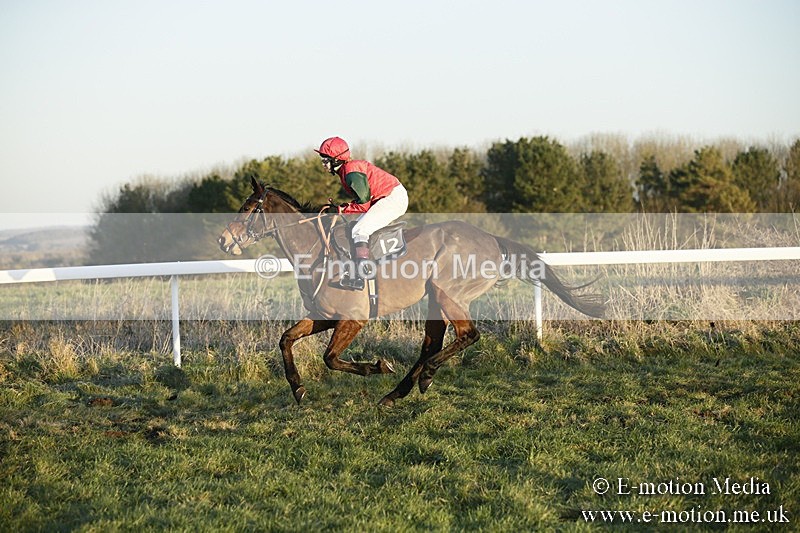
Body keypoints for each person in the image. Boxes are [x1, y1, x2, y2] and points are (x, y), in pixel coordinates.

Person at [315, 136, 409, 291]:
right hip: (384, 197)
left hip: (393, 198)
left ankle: (361, 275)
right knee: (354, 227)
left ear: (337, 160)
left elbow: (363, 204)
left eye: (325, 159)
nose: (323, 163)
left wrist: (340, 209)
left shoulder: (351, 172)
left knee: (360, 230)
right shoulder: (346, 170)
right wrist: (341, 208)